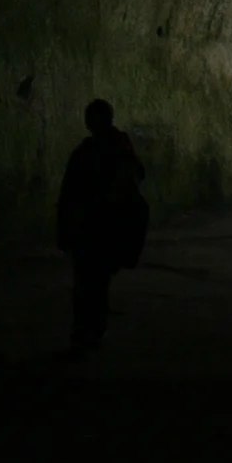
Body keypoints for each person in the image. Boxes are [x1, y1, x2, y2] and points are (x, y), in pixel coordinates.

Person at [56, 99, 148, 357]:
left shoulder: (91, 151)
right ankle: (91, 329)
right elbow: (137, 177)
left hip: (94, 226)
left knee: (88, 281)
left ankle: (86, 329)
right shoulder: (116, 148)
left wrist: (65, 229)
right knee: (95, 282)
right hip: (100, 226)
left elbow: (69, 195)